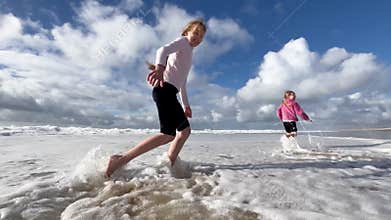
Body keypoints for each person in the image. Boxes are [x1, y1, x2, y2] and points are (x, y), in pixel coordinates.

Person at [105, 20, 206, 178]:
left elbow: (183, 82)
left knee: (185, 132)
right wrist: (159, 68)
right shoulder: (183, 42)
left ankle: (169, 163)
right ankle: (120, 160)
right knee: (167, 134)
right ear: (187, 32)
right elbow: (162, 49)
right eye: (196, 33)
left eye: (201, 37)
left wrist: (186, 105)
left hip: (170, 93)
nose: (198, 38)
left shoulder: (189, 53)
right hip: (164, 90)